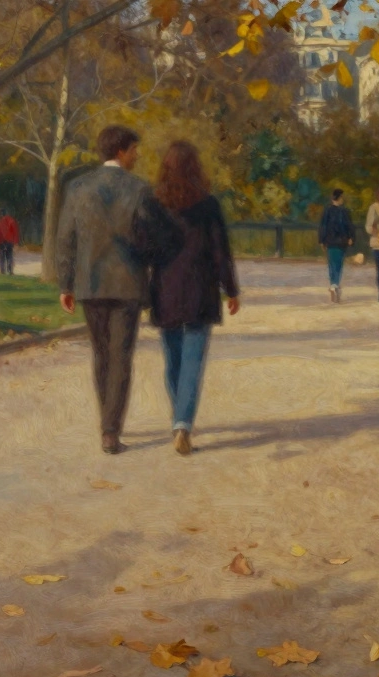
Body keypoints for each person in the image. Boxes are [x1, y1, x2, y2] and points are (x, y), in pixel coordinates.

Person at [56, 125, 175, 455]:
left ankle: (106, 424)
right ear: (121, 151)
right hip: (127, 283)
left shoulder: (78, 188)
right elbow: (154, 239)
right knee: (121, 356)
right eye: (134, 149)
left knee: (101, 354)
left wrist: (65, 283)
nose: (137, 155)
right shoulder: (140, 189)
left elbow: (66, 238)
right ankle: (110, 430)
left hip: (90, 283)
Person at [142, 140, 240, 456]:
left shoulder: (154, 204)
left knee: (173, 359)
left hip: (166, 289)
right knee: (193, 361)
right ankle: (182, 423)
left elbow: (146, 251)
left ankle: (179, 418)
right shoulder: (209, 204)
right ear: (195, 167)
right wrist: (232, 289)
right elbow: (220, 252)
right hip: (200, 289)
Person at [318, 188, 354, 303]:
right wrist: (351, 238)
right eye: (342, 197)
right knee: (338, 264)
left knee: (332, 264)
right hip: (342, 242)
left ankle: (333, 285)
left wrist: (321, 241)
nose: (343, 199)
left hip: (330, 242)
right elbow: (350, 226)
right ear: (338, 198)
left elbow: (323, 226)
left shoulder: (327, 211)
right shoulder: (345, 211)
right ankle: (336, 285)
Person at [0, 209, 19, 275]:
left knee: (2, 257)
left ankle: (2, 271)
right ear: (7, 213)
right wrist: (15, 242)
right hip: (9, 242)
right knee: (9, 256)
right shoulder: (12, 221)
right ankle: (10, 271)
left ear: (1, 214)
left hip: (1, 242)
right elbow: (15, 232)